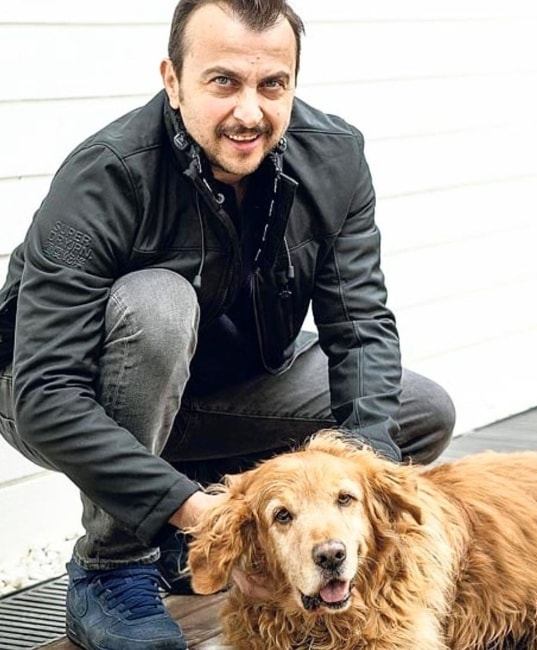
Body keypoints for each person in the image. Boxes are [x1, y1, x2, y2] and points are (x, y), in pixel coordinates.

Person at [0, 0, 455, 648]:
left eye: (273, 84)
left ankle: (186, 552)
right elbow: (46, 393)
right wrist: (199, 514)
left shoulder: (334, 159)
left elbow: (360, 329)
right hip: (53, 393)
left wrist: (355, 497)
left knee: (415, 411)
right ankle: (112, 565)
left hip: (220, 390)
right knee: (158, 307)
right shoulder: (106, 176)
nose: (250, 111)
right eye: (223, 82)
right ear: (172, 79)